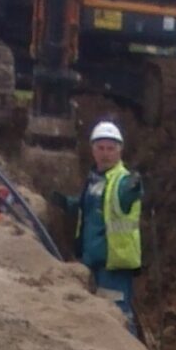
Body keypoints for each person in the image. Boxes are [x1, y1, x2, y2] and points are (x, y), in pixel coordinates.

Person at [59, 120, 144, 334]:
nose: (105, 153)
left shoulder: (122, 181)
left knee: (118, 318)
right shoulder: (94, 179)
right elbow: (89, 207)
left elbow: (128, 194)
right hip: (91, 261)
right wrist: (67, 203)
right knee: (96, 319)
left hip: (114, 264)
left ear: (120, 150)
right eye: (100, 148)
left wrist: (135, 188)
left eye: (110, 148)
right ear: (92, 149)